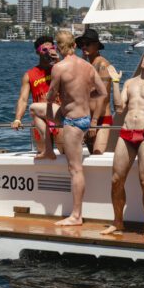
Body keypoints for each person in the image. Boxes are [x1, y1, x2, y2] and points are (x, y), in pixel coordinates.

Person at [101, 46, 144, 239]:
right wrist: (115, 82)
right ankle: (117, 222)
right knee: (115, 180)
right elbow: (119, 108)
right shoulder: (130, 82)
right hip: (127, 133)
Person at [45, 30, 108, 226]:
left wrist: (56, 100)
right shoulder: (88, 67)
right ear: (74, 45)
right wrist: (86, 96)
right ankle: (46, 150)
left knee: (75, 169)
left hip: (72, 121)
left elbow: (51, 94)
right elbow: (103, 92)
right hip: (85, 118)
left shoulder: (59, 68)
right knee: (35, 110)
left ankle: (76, 215)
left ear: (59, 47)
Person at [11, 35, 63, 157]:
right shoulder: (29, 75)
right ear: (37, 52)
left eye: (51, 48)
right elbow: (23, 99)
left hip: (59, 117)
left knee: (66, 154)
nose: (48, 52)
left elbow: (73, 82)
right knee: (44, 155)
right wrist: (18, 118)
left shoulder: (60, 68)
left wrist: (59, 62)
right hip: (40, 121)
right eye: (44, 50)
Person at [76, 28, 113, 155]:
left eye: (88, 44)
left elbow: (103, 95)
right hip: (87, 118)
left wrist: (94, 121)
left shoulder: (102, 64)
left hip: (100, 119)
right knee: (90, 157)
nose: (84, 46)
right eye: (82, 44)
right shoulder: (88, 65)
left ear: (96, 45)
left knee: (97, 154)